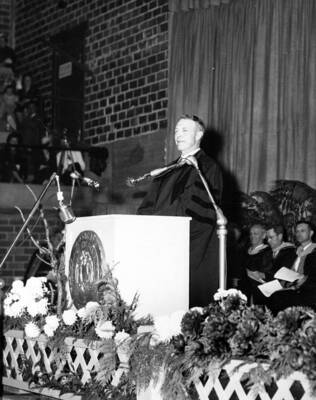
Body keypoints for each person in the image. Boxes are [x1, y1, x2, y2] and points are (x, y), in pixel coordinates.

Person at [137, 114, 223, 307]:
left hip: (190, 249)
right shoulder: (168, 169)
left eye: (185, 130)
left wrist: (161, 227)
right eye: (176, 130)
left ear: (199, 134)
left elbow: (198, 212)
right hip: (162, 245)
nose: (178, 134)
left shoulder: (207, 167)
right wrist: (142, 229)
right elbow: (146, 207)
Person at [268, 221, 316, 314]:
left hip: (307, 292)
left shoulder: (314, 253)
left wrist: (304, 279)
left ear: (311, 233)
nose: (298, 234)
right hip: (292, 289)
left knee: (277, 299)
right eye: (297, 231)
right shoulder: (294, 252)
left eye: (302, 231)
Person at [238, 223, 272, 304]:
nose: (252, 236)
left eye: (255, 234)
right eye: (251, 234)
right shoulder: (245, 250)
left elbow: (266, 272)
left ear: (263, 236)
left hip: (258, 291)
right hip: (243, 289)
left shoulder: (267, 252)